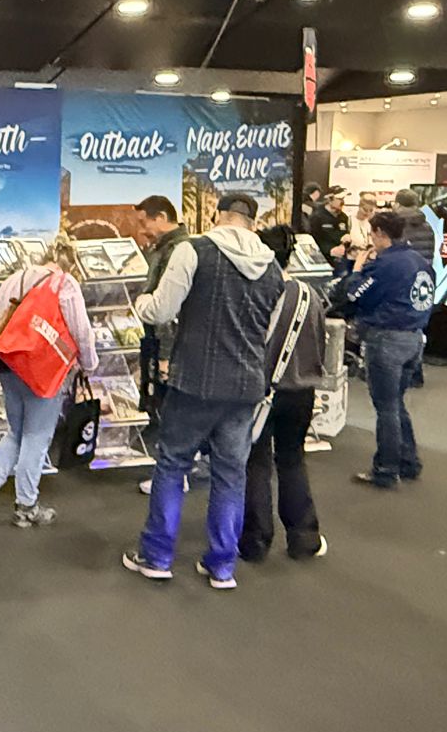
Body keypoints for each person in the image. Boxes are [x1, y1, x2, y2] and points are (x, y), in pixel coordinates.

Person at [122, 192, 286, 588]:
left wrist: (141, 302)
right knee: (231, 475)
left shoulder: (195, 250)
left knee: (172, 464)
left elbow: (162, 310)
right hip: (246, 385)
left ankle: (157, 556)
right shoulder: (272, 266)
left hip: (195, 380)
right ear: (251, 221)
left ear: (219, 216)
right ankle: (222, 566)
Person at [0, 233, 100, 527]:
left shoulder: (15, 279)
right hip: (44, 370)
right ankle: (26, 504)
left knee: (15, 430)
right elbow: (81, 331)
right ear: (68, 263)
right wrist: (89, 365)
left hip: (10, 362)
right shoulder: (65, 284)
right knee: (36, 436)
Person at [332, 209, 435, 489]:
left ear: (379, 233)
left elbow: (355, 294)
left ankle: (386, 469)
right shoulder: (420, 262)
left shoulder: (385, 265)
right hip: (414, 338)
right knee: (397, 403)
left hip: (386, 338)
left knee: (386, 407)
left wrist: (356, 269)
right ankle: (408, 461)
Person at [240, 274, 330, 563]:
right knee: (292, 458)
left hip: (261, 391)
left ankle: (255, 540)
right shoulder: (309, 294)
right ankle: (304, 536)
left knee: (256, 462)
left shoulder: (257, 293)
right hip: (302, 389)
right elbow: (321, 339)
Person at [134, 194, 189, 422]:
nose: (142, 230)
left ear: (161, 217)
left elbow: (169, 306)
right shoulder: (163, 248)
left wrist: (165, 356)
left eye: (144, 222)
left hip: (165, 343)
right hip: (153, 340)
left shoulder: (178, 252)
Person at [307, 188, 349, 258]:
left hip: (341, 255)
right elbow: (313, 238)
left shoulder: (344, 217)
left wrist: (344, 244)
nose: (342, 202)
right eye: (339, 199)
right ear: (329, 200)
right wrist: (329, 250)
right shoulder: (317, 216)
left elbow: (344, 234)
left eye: (343, 199)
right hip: (323, 255)